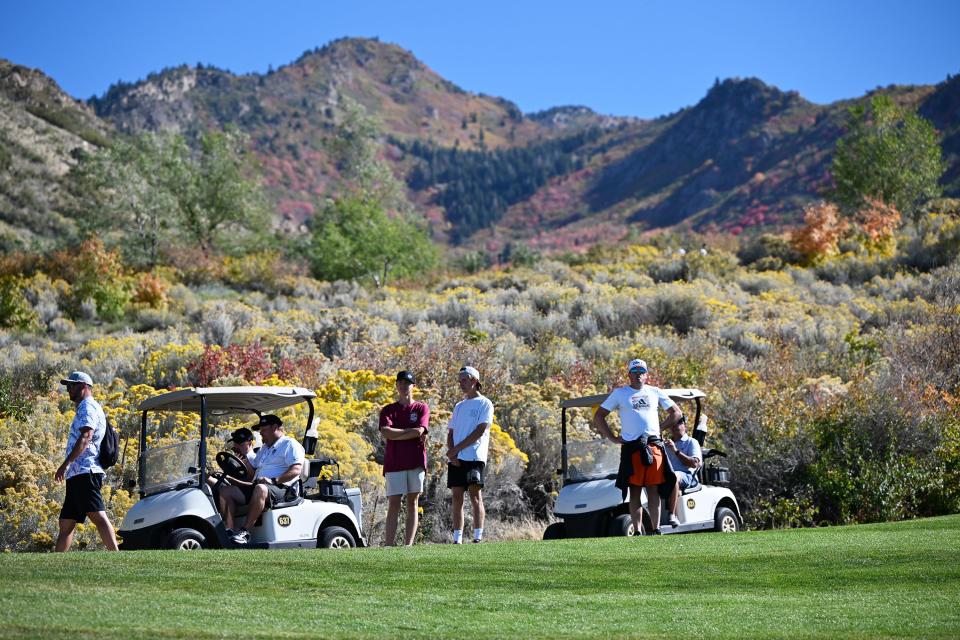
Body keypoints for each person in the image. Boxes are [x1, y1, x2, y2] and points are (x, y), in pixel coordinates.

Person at [592, 359, 682, 535]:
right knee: (635, 490)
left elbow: (676, 412)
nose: (639, 374)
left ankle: (656, 529)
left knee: (653, 489)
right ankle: (639, 531)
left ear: (647, 375)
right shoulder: (620, 393)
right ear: (629, 375)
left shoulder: (655, 392)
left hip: (653, 445)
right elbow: (599, 416)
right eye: (635, 371)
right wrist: (612, 437)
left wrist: (659, 429)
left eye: (642, 371)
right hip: (632, 448)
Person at [53, 371, 119, 552]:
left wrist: (65, 464)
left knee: (98, 517)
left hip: (86, 471)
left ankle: (117, 556)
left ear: (83, 386)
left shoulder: (88, 407)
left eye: (71, 386)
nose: (68, 390)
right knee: (66, 524)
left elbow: (86, 436)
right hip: (78, 473)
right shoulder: (87, 407)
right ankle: (56, 563)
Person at [220, 414, 304, 544]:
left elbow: (296, 470)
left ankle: (245, 532)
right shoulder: (265, 448)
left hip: (281, 488)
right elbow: (253, 468)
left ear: (275, 428)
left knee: (260, 488)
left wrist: (274, 480)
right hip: (261, 485)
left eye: (263, 430)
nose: (261, 434)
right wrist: (242, 460)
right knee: (227, 491)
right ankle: (229, 529)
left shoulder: (290, 444)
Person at [379, 370, 430, 546]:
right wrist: (409, 433)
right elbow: (386, 431)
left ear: (413, 386)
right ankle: (388, 544)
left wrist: (397, 434)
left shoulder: (421, 408)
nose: (403, 386)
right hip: (394, 462)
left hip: (415, 461)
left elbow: (420, 430)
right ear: (396, 385)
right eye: (400, 382)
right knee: (394, 503)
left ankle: (408, 545)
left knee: (412, 502)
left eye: (407, 383)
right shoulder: (388, 410)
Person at [446, 366, 493, 544]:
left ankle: (477, 536)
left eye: (464, 380)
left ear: (474, 380)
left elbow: (480, 431)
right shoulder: (459, 406)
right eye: (460, 381)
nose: (461, 384)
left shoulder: (485, 404)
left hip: (474, 456)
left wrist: (456, 450)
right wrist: (453, 455)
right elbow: (451, 432)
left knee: (475, 495)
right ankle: (457, 538)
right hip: (456, 458)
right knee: (457, 497)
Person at [664, 415, 703, 519]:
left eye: (679, 423)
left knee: (674, 476)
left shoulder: (692, 442)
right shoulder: (666, 445)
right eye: (673, 424)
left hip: (688, 477)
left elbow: (694, 463)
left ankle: (672, 515)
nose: (676, 426)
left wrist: (675, 451)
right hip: (670, 478)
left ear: (685, 426)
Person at [207, 427, 257, 493]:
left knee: (207, 479)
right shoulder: (238, 456)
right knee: (204, 477)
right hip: (229, 484)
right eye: (235, 443)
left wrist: (229, 478)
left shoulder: (253, 459)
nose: (236, 447)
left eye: (240, 444)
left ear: (250, 443)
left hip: (240, 490)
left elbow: (251, 484)